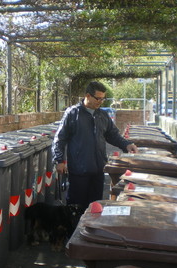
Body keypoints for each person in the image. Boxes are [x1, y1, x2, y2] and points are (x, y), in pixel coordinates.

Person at [52, 81, 138, 212]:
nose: (100, 102)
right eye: (98, 98)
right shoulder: (73, 114)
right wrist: (59, 160)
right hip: (79, 171)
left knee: (95, 208)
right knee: (75, 209)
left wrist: (127, 145)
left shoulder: (102, 115)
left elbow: (112, 135)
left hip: (98, 171)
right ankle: (75, 232)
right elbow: (60, 138)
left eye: (103, 99)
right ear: (87, 95)